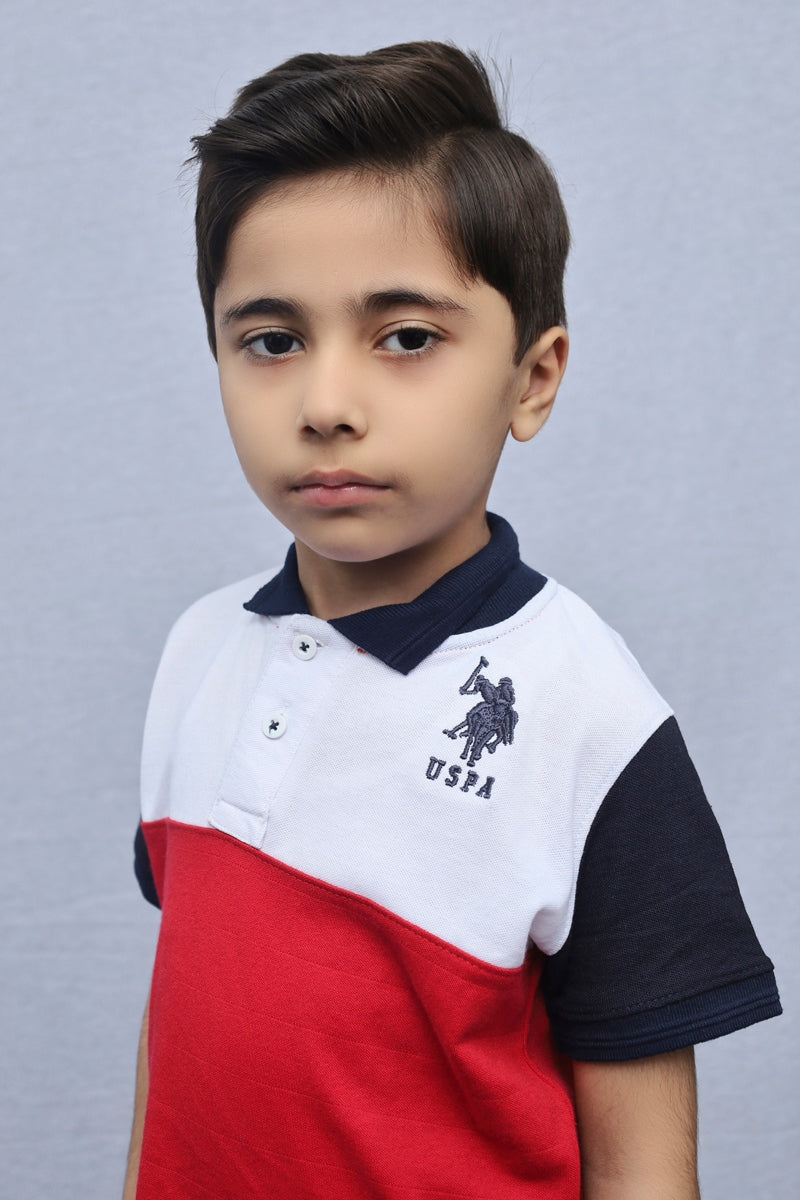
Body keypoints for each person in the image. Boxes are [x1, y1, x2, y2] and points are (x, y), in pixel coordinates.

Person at [124, 41, 780, 1199]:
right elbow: (179, 1037)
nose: (326, 404)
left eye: (405, 337)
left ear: (531, 378)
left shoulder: (593, 721)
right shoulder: (197, 653)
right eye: (271, 341)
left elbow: (643, 1165)